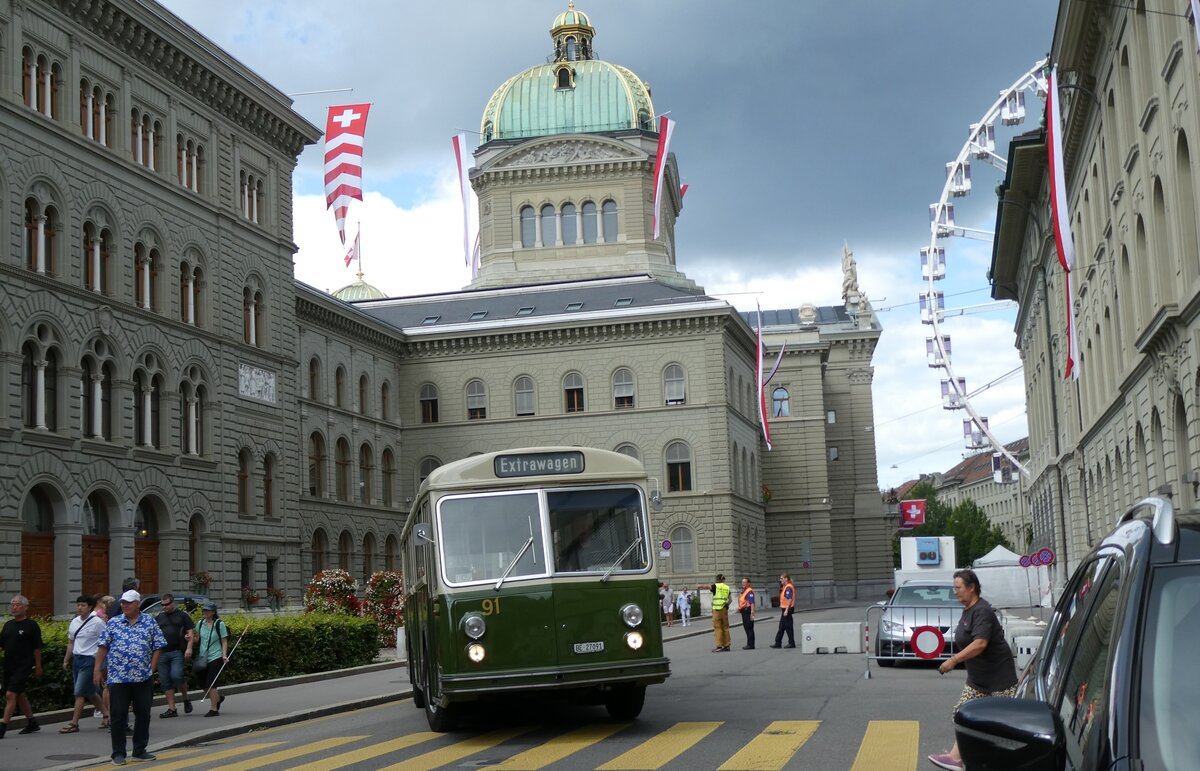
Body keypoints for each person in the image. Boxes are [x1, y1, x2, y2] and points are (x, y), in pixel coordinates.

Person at [927, 569, 1018, 771]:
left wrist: (953, 660)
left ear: (971, 588)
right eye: (954, 588)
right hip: (978, 680)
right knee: (961, 714)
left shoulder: (982, 611)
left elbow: (980, 643)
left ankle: (984, 760)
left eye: (958, 588)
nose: (955, 592)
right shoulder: (968, 609)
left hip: (998, 679)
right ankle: (958, 757)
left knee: (999, 725)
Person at [94, 589, 166, 765]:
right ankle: (118, 753)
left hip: (143, 678)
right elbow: (103, 646)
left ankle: (139, 750)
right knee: (118, 715)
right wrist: (97, 669)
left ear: (137, 604)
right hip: (119, 678)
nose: (124, 605)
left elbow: (159, 645)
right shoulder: (114, 623)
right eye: (122, 603)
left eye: (128, 602)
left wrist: (152, 668)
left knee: (143, 714)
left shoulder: (149, 621)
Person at [61, 595, 107, 733]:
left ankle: (74, 723)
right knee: (90, 692)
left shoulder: (98, 623)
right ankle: (107, 715)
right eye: (78, 605)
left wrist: (102, 664)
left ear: (90, 607)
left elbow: (105, 642)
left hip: (90, 660)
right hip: (77, 659)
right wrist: (66, 659)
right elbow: (71, 642)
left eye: (83, 605)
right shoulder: (74, 622)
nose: (79, 608)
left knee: (79, 692)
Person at [0, 595, 43, 739]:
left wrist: (38, 666)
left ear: (25, 607)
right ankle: (32, 722)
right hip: (9, 666)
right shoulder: (8, 625)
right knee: (19, 694)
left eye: (18, 605)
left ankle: (3, 726)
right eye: (13, 604)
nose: (14, 607)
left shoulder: (31, 625)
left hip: (23, 666)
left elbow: (37, 648)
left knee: (10, 694)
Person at [155, 593, 195, 718]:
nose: (164, 607)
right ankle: (172, 709)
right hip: (162, 653)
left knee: (177, 676)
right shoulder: (159, 617)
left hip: (177, 651)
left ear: (172, 603)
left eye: (166, 604)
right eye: (162, 605)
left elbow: (190, 632)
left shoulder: (182, 615)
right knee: (166, 681)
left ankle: (185, 698)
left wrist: (189, 648)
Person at [195, 602, 230, 717]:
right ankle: (218, 698)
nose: (205, 612)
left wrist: (224, 655)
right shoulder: (200, 624)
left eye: (208, 610)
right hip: (203, 657)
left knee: (211, 684)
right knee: (203, 684)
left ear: (213, 612)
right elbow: (197, 639)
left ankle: (214, 709)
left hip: (216, 656)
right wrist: (189, 638)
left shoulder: (219, 624)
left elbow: (224, 641)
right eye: (204, 610)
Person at [95, 595, 115, 728]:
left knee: (106, 686)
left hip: (102, 655)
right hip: (110, 656)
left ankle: (104, 712)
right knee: (108, 686)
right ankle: (106, 712)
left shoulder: (100, 616)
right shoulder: (106, 619)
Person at [770, 574, 796, 649]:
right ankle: (778, 642)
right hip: (785, 609)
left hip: (787, 609)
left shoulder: (788, 587)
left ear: (786, 579)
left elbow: (789, 599)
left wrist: (787, 610)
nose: (780, 580)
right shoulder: (785, 587)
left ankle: (791, 643)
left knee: (788, 627)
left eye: (781, 578)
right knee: (782, 626)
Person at [710, 574, 731, 652]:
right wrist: (726, 605)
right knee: (725, 627)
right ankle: (727, 645)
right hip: (724, 609)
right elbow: (730, 600)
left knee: (718, 628)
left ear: (717, 579)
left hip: (717, 610)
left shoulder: (715, 586)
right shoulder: (727, 587)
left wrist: (700, 586)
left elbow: (707, 587)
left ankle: (719, 646)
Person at [737, 577, 756, 649]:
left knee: (749, 628)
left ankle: (751, 644)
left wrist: (752, 612)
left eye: (745, 582)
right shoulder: (744, 591)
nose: (743, 584)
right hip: (744, 611)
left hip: (748, 611)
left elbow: (752, 602)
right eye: (742, 582)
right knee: (747, 628)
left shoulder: (749, 591)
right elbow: (743, 601)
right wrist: (739, 608)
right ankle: (749, 644)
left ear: (748, 583)